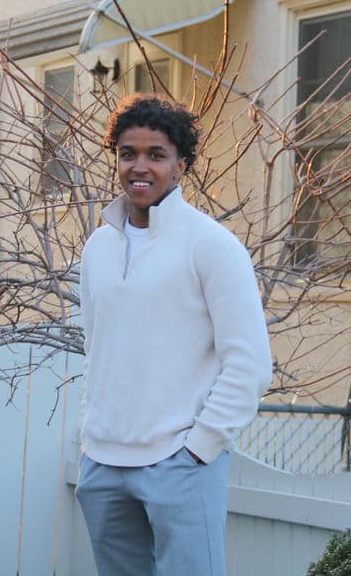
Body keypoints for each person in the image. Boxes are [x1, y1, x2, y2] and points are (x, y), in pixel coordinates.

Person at [76, 94, 273, 575]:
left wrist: (199, 447)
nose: (139, 166)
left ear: (181, 165)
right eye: (128, 153)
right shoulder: (98, 247)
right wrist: (89, 433)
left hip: (179, 463)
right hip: (102, 462)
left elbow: (249, 364)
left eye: (156, 155)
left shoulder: (212, 246)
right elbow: (95, 348)